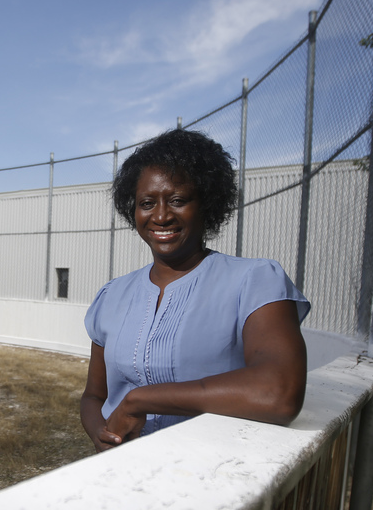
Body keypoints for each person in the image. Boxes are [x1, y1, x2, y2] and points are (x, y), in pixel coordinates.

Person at [81, 128, 311, 452]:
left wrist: (139, 400)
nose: (160, 216)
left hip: (210, 474)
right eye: (147, 203)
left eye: (177, 200)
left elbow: (279, 392)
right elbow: (94, 395)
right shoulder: (112, 295)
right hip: (119, 474)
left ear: (207, 204)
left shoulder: (254, 281)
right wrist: (101, 435)